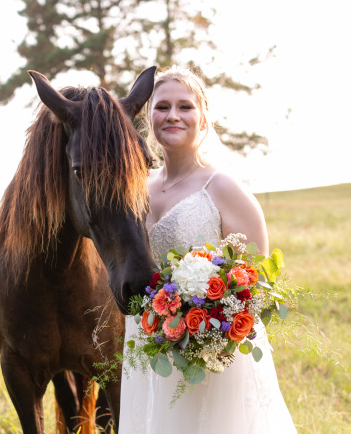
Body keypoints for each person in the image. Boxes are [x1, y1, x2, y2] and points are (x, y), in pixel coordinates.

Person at [118, 66, 297, 434]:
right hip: (148, 341)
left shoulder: (224, 188)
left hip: (211, 352)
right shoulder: (136, 188)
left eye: (185, 107)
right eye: (162, 106)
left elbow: (254, 285)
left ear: (202, 118)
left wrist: (207, 329)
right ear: (148, 116)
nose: (172, 115)